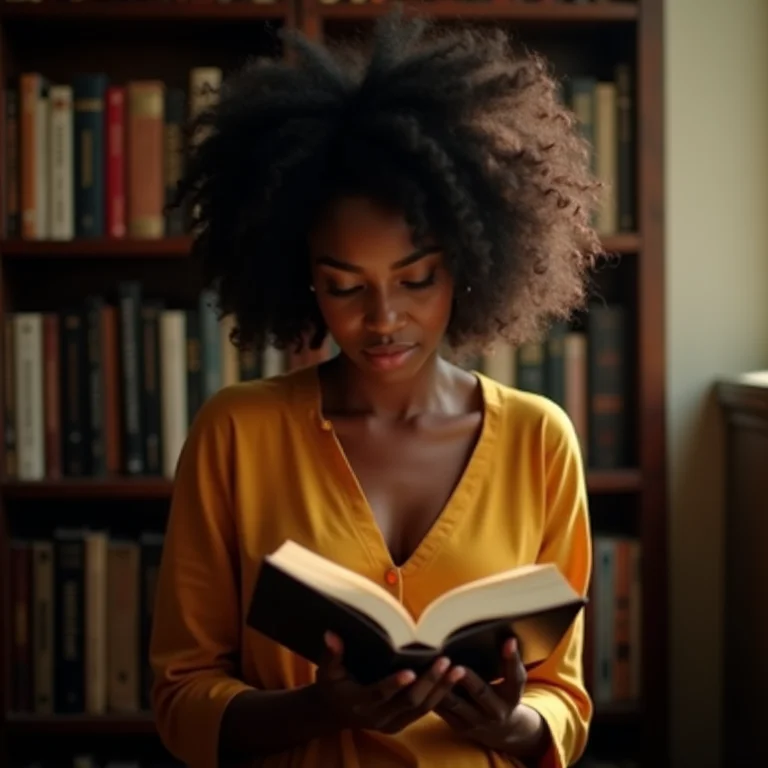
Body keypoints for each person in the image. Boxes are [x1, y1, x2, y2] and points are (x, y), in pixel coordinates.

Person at [149, 8, 602, 768]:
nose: (383, 319)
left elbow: (565, 698)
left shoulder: (538, 438)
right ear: (303, 281)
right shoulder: (237, 433)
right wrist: (312, 710)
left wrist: (512, 726)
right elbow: (181, 695)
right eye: (343, 285)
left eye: (415, 279)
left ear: (471, 259)